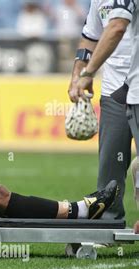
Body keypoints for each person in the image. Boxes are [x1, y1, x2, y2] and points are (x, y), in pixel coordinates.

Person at [68, 0, 133, 219]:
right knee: (110, 165)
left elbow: (117, 27)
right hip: (114, 90)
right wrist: (77, 74)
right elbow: (90, 37)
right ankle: (108, 224)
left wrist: (88, 74)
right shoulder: (98, 1)